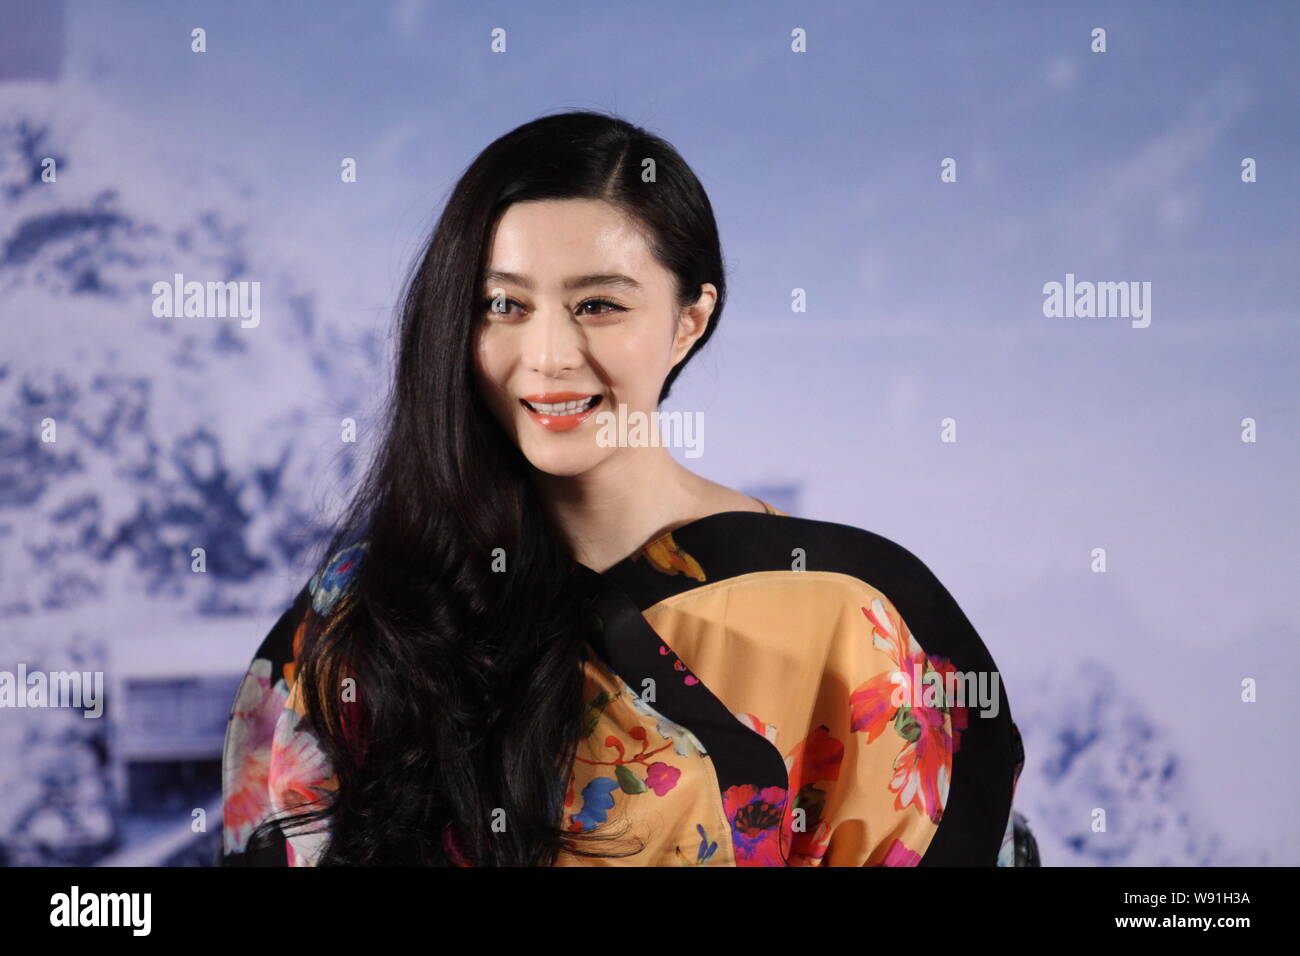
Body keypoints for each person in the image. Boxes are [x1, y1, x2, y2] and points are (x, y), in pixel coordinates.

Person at [219, 109, 1035, 867]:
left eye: (599, 305)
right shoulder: (372, 605)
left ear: (690, 320)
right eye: (503, 304)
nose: (546, 355)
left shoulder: (848, 612)